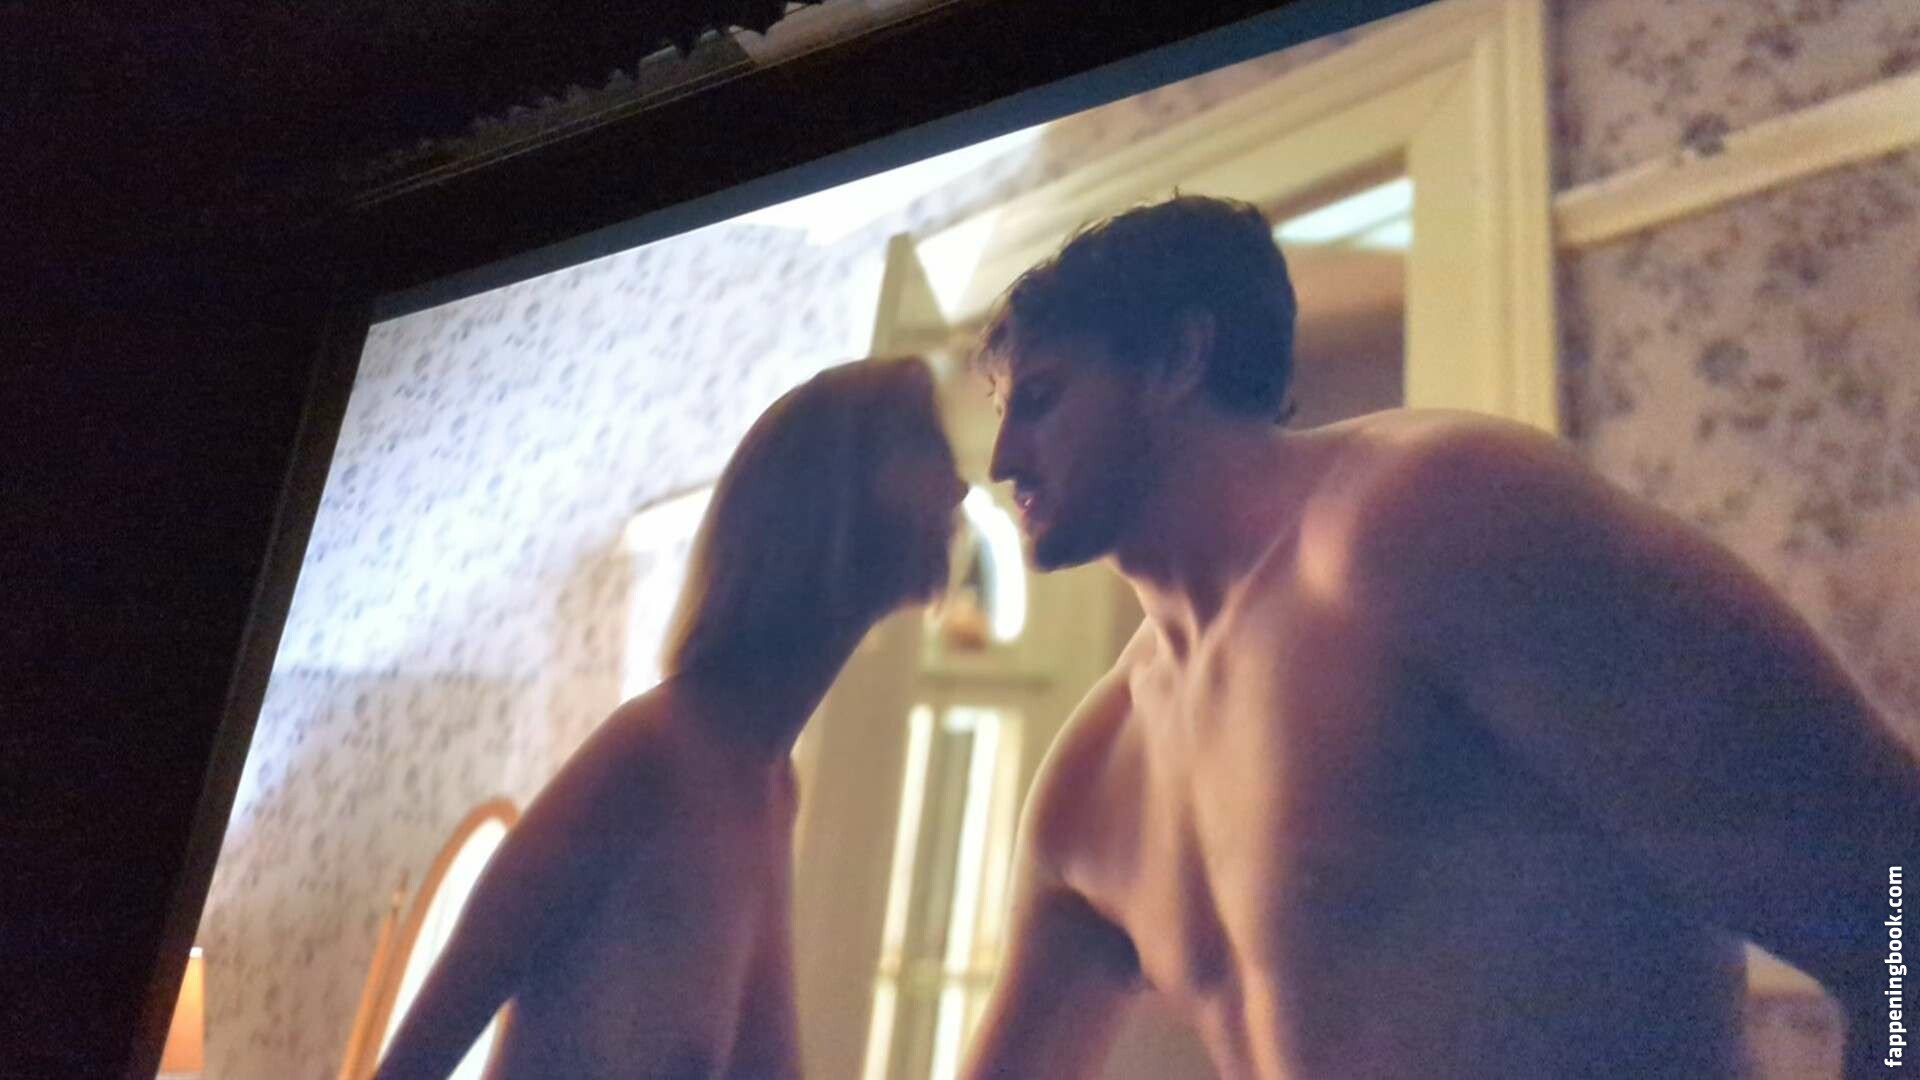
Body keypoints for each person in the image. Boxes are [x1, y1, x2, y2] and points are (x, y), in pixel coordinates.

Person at [958, 194, 1920, 1079]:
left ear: (1177, 359)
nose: (1002, 460)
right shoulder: (1091, 782)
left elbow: (1894, 889)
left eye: (1039, 399)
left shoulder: (1423, 520)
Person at [374, 356, 967, 1080]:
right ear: (831, 500)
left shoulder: (770, 788)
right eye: (921, 445)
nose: (960, 484)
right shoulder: (650, 752)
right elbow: (425, 1043)